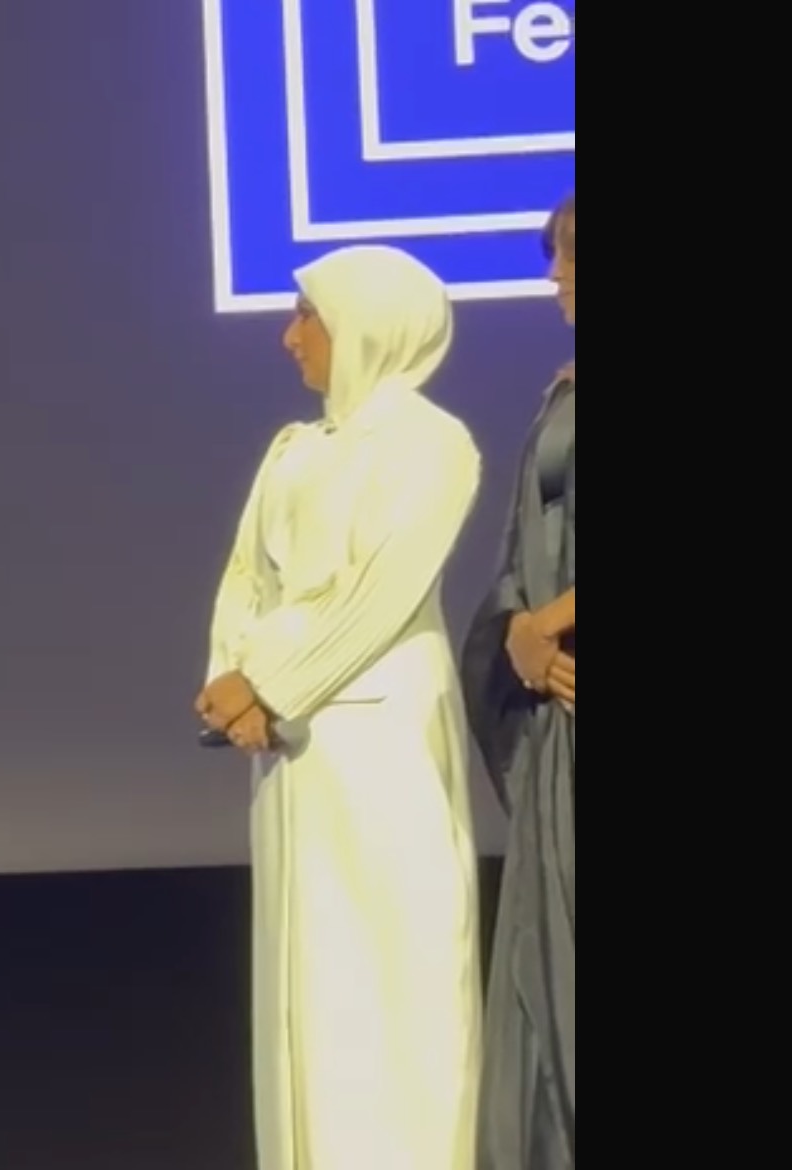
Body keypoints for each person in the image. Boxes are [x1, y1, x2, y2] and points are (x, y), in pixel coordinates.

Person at [197, 245, 485, 1170]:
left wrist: (269, 683)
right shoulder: (296, 449)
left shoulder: (432, 443)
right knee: (309, 977)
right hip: (294, 746)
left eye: (306, 317)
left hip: (378, 732)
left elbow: (381, 590)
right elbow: (246, 578)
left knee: (391, 971)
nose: (290, 338)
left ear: (366, 325)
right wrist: (231, 682)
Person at [460, 191, 576, 1170]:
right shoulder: (562, 390)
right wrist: (514, 634)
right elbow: (521, 547)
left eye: (567, 257)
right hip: (558, 708)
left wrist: (550, 621)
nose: (553, 279)